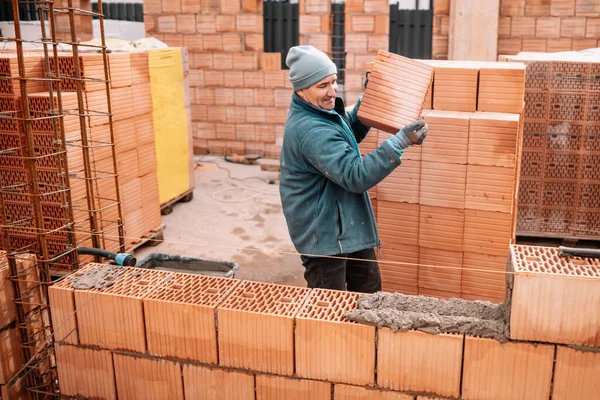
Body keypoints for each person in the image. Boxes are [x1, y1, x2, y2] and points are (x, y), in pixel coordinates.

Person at [279, 45, 428, 293]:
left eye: (334, 81)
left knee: (369, 292)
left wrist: (369, 98)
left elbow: (348, 133)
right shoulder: (310, 130)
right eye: (322, 86)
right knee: (328, 309)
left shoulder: (321, 113)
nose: (332, 91)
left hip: (345, 223)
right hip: (324, 238)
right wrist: (400, 142)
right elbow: (355, 175)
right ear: (301, 89)